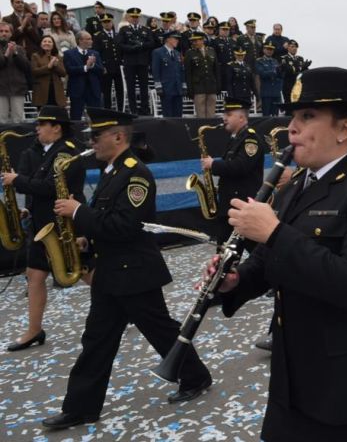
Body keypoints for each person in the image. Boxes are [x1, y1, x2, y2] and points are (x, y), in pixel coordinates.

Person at [211, 67, 347, 440]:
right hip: (295, 381)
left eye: (307, 116)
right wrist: (234, 280)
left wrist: (273, 232)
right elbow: (271, 263)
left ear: (344, 129)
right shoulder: (293, 187)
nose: (292, 127)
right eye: (293, 116)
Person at [41, 107, 212, 430]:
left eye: (96, 137)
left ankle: (196, 376)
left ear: (118, 136)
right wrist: (87, 242)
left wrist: (78, 212)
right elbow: (107, 224)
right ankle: (81, 407)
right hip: (112, 271)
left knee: (160, 330)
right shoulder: (111, 171)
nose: (91, 143)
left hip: (135, 271)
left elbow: (125, 226)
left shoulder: (135, 174)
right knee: (96, 340)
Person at [3, 106, 86, 352]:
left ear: (57, 127)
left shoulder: (66, 153)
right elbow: (33, 187)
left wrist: (17, 180)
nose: (37, 128)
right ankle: (34, 329)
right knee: (34, 275)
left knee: (86, 272)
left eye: (42, 124)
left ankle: (127, 307)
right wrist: (26, 206)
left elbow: (49, 187)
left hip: (63, 224)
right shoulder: (38, 151)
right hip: (43, 224)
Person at [201, 97, 263, 249]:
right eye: (224, 114)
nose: (224, 118)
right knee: (225, 252)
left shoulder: (250, 139)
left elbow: (240, 166)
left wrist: (213, 164)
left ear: (241, 117)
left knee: (252, 252)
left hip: (242, 207)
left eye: (229, 115)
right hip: (230, 206)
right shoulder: (235, 139)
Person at [116, 8, 155, 115]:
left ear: (139, 18)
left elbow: (151, 43)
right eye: (132, 17)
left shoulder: (145, 30)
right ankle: (133, 110)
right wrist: (132, 48)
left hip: (143, 62)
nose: (134, 19)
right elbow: (120, 44)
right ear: (128, 18)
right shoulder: (124, 30)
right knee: (131, 87)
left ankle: (145, 109)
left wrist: (142, 45)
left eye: (136, 17)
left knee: (144, 86)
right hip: (130, 62)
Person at [63, 31, 104, 120]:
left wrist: (92, 65)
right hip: (77, 90)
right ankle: (75, 133)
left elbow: (101, 70)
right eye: (88, 39)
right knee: (76, 116)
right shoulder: (69, 54)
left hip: (93, 89)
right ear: (80, 40)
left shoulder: (95, 53)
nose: (91, 41)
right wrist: (85, 67)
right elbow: (69, 70)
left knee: (97, 116)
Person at [0, 21, 30, 122]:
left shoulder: (19, 49)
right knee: (1, 120)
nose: (4, 33)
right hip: (1, 90)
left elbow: (26, 67)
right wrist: (7, 53)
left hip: (17, 89)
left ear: (11, 33)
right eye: (1, 31)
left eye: (6, 31)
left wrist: (16, 53)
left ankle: (17, 138)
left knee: (17, 119)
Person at [92, 13, 123, 110]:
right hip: (106, 68)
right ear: (101, 23)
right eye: (104, 22)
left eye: (108, 21)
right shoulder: (98, 36)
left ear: (112, 22)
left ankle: (121, 110)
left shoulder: (118, 35)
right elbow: (97, 53)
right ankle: (108, 111)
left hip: (118, 67)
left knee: (120, 90)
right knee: (107, 91)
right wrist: (102, 66)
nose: (107, 24)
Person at [184, 32, 220, 118]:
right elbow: (188, 73)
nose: (194, 43)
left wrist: (218, 86)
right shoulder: (190, 53)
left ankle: (211, 131)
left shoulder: (211, 51)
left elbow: (216, 70)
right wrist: (190, 89)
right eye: (193, 41)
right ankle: (202, 130)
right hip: (198, 87)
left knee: (211, 114)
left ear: (202, 40)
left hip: (211, 86)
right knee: (201, 115)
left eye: (196, 41)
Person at [151, 31, 185, 117]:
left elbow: (181, 71)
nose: (177, 40)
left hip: (177, 88)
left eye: (178, 39)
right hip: (166, 88)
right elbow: (155, 70)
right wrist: (158, 86)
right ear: (168, 39)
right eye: (175, 38)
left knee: (178, 114)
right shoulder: (158, 52)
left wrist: (184, 85)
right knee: (168, 115)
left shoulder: (177, 54)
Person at [30, 36, 67, 108]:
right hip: (41, 91)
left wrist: (56, 66)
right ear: (41, 44)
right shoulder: (35, 56)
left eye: (49, 42)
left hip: (56, 91)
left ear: (53, 45)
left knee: (57, 116)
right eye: (44, 41)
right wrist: (48, 67)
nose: (47, 43)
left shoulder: (58, 57)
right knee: (44, 117)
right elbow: (34, 71)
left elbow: (63, 73)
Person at [280, 39, 312, 106]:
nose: (294, 48)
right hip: (289, 86)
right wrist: (301, 68)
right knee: (289, 106)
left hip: (298, 86)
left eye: (295, 47)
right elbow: (288, 70)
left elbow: (303, 72)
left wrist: (306, 68)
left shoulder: (300, 59)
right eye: (292, 47)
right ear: (288, 48)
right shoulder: (284, 58)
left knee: (298, 106)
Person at [256, 42, 282, 116]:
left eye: (271, 49)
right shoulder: (259, 61)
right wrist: (274, 71)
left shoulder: (275, 61)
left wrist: (281, 71)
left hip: (276, 93)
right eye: (268, 49)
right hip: (266, 92)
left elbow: (280, 76)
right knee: (266, 116)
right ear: (264, 50)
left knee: (275, 116)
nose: (269, 51)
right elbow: (262, 74)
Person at [213, 22, 235, 92]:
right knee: (222, 90)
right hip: (221, 70)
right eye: (223, 29)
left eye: (227, 29)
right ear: (219, 30)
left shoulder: (232, 41)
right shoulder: (215, 41)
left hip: (231, 70)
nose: (225, 31)